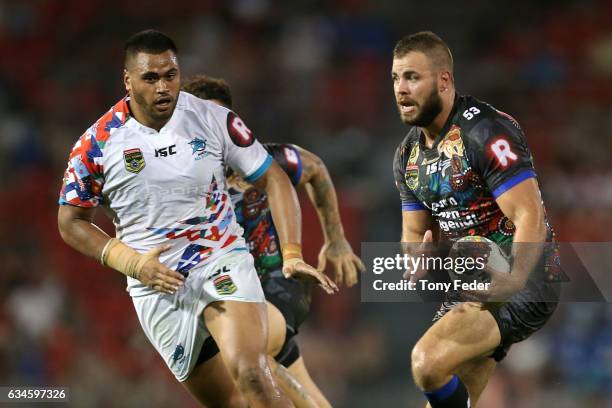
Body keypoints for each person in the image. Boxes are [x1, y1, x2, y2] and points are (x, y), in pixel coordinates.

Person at [57, 29, 338, 408]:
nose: (162, 88)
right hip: (156, 285)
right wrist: (133, 264)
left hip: (220, 259)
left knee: (252, 372)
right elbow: (70, 222)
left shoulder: (212, 118)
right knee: (234, 402)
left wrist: (291, 252)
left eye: (170, 75)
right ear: (128, 80)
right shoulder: (97, 143)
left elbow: (274, 177)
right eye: (150, 78)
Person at [391, 31, 560, 407]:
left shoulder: (485, 131)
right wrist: (416, 257)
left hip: (526, 275)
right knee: (450, 395)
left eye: (412, 77)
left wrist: (513, 280)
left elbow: (529, 213)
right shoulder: (407, 157)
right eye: (396, 78)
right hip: (471, 283)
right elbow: (414, 232)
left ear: (444, 80)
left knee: (427, 363)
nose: (401, 89)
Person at [182, 74, 365, 408]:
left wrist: (335, 239)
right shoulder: (176, 183)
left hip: (278, 287)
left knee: (245, 347)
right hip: (231, 292)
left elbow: (314, 168)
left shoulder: (262, 163)